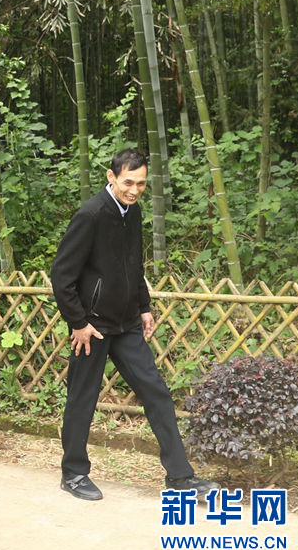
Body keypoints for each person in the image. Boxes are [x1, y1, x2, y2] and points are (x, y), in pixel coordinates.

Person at [50, 148, 220, 501]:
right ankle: (73, 474)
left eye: (141, 183)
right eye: (128, 182)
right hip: (93, 328)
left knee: (156, 392)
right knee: (82, 399)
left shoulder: (134, 211)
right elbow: (61, 275)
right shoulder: (91, 215)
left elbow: (133, 265)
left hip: (126, 324)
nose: (134, 190)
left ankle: (180, 477)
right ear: (111, 177)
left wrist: (143, 306)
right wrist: (78, 323)